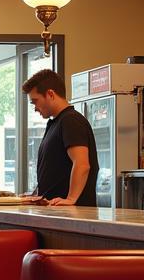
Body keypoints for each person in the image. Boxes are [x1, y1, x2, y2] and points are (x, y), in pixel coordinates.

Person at [23, 68, 99, 207]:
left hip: (73, 213)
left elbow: (82, 164)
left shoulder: (71, 121)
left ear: (50, 94)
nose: (35, 108)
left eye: (35, 101)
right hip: (56, 210)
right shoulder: (54, 123)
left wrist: (71, 199)